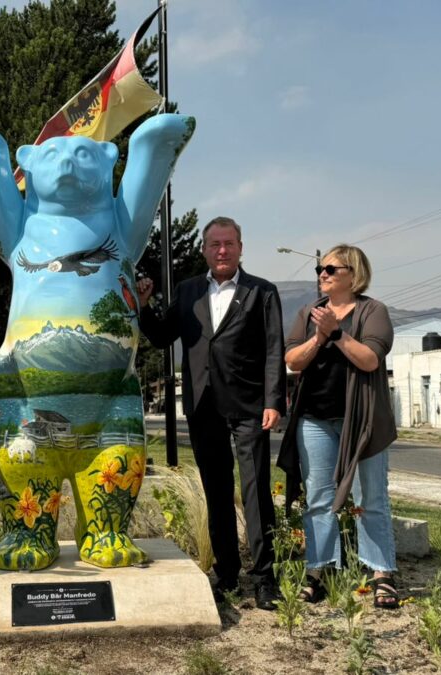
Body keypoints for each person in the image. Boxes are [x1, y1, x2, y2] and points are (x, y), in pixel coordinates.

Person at [138, 216, 285, 610]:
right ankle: (226, 572)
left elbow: (275, 350)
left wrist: (274, 401)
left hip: (251, 407)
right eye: (215, 244)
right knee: (217, 493)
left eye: (229, 244)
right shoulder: (187, 292)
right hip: (204, 408)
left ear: (241, 248)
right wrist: (143, 304)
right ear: (205, 250)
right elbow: (159, 336)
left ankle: (265, 578)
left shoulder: (262, 292)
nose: (222, 250)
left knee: (256, 495)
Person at [277, 244, 400, 610]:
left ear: (354, 273)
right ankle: (320, 571)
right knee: (318, 499)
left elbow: (369, 359)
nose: (323, 274)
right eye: (320, 269)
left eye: (331, 268)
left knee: (370, 498)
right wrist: (318, 336)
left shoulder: (373, 311)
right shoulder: (308, 313)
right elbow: (292, 360)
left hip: (360, 420)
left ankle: (381, 574)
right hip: (313, 419)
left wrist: (337, 334)